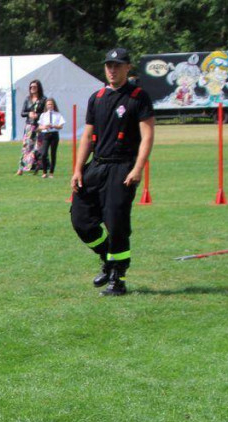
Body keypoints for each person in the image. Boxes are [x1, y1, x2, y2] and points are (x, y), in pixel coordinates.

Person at [70, 48, 155, 297]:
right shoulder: (96, 98)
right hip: (97, 165)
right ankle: (107, 257)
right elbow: (87, 136)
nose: (112, 70)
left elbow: (147, 135)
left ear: (128, 67)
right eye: (109, 65)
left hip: (123, 167)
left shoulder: (138, 97)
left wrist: (138, 168)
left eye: (117, 65)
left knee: (117, 224)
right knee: (81, 220)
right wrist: (77, 169)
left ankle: (119, 278)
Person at [16, 79, 46, 175]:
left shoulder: (43, 99)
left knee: (38, 147)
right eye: (31, 87)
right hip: (29, 126)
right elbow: (22, 113)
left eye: (34, 87)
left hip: (39, 126)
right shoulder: (27, 99)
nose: (32, 88)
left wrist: (38, 114)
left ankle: (37, 168)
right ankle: (21, 168)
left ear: (38, 88)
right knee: (26, 147)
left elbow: (46, 112)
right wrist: (29, 113)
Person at [36, 98, 65, 178]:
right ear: (46, 105)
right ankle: (44, 172)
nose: (50, 106)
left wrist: (54, 126)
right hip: (46, 134)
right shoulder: (43, 115)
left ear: (54, 105)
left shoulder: (58, 114)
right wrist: (44, 127)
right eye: (48, 104)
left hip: (54, 134)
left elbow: (61, 126)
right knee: (44, 153)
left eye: (51, 104)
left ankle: (51, 172)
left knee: (53, 153)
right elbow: (39, 127)